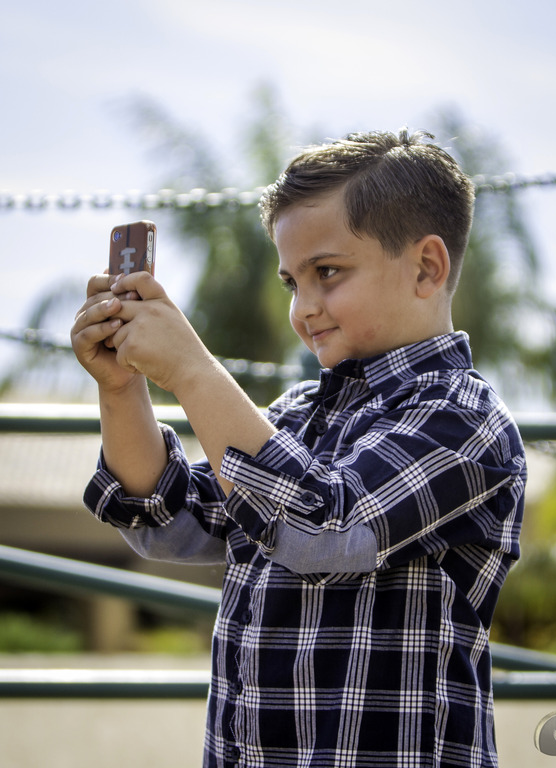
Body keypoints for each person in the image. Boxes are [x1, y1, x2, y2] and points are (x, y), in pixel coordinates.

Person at [71, 129, 526, 768]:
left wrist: (193, 372)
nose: (304, 308)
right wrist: (122, 390)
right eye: (291, 281)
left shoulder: (464, 418)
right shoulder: (294, 415)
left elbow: (325, 529)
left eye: (327, 273)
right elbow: (170, 523)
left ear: (427, 267)